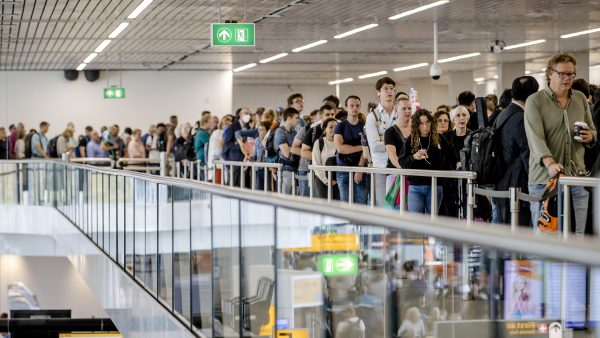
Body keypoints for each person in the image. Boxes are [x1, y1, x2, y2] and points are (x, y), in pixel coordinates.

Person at [524, 52, 597, 234]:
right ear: (550, 73)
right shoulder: (536, 101)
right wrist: (550, 163)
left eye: (571, 74)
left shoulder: (580, 98)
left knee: (577, 237)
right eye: (562, 74)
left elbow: (592, 129)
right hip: (544, 180)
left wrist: (591, 137)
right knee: (545, 238)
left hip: (575, 178)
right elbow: (536, 139)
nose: (567, 78)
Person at [494, 76, 539, 226]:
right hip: (517, 185)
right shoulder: (520, 117)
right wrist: (536, 180)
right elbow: (527, 152)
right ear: (532, 96)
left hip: (502, 183)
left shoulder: (504, 114)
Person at [400, 109, 454, 214]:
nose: (425, 126)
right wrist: (414, 157)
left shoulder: (440, 139)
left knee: (432, 221)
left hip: (435, 185)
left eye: (427, 122)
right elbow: (402, 162)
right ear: (416, 125)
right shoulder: (410, 140)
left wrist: (442, 175)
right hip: (415, 186)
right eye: (421, 123)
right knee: (415, 222)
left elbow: (451, 157)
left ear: (431, 122)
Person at [366, 77, 398, 207]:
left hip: (397, 166)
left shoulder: (400, 112)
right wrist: (394, 141)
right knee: (382, 207)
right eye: (386, 89)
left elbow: (406, 141)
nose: (389, 91)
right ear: (378, 92)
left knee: (398, 207)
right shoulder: (372, 116)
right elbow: (374, 146)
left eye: (392, 88)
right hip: (380, 168)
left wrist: (382, 138)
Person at [335, 95, 369, 204]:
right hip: (343, 170)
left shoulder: (364, 126)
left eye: (357, 105)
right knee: (346, 205)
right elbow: (340, 149)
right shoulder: (340, 126)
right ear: (346, 107)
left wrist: (360, 168)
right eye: (351, 105)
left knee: (361, 204)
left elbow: (366, 152)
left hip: (360, 169)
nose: (355, 108)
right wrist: (361, 147)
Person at [384, 93, 412, 208]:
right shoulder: (390, 132)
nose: (407, 111)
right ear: (396, 110)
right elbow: (392, 155)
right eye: (404, 109)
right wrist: (404, 170)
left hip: (413, 176)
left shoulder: (417, 130)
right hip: (396, 175)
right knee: (395, 210)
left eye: (409, 108)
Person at [274, 107, 300, 194]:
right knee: (284, 199)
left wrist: (291, 148)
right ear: (289, 118)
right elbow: (286, 153)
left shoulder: (295, 133)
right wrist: (296, 150)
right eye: (296, 118)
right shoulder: (280, 131)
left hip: (295, 169)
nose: (298, 121)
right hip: (285, 171)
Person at [312, 118, 339, 199]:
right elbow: (316, 164)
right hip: (321, 180)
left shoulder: (341, 143)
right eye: (331, 127)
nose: (334, 129)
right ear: (325, 130)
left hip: (337, 180)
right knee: (323, 207)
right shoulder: (319, 142)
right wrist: (326, 180)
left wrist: (335, 180)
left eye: (336, 127)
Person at [208, 115, 233, 182]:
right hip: (218, 158)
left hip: (214, 160)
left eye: (229, 124)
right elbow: (221, 144)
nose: (227, 126)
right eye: (225, 124)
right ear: (221, 125)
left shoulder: (215, 132)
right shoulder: (220, 132)